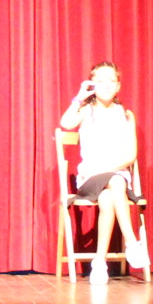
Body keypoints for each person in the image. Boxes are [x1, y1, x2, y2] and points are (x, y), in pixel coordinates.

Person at [58, 63, 143, 285]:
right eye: (100, 80)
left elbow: (131, 155)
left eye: (111, 81)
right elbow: (65, 123)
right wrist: (79, 96)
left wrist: (107, 168)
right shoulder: (86, 110)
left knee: (109, 195)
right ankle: (131, 242)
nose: (106, 85)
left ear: (118, 86)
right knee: (115, 182)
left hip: (117, 175)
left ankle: (99, 262)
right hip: (90, 177)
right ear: (92, 84)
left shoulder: (125, 115)